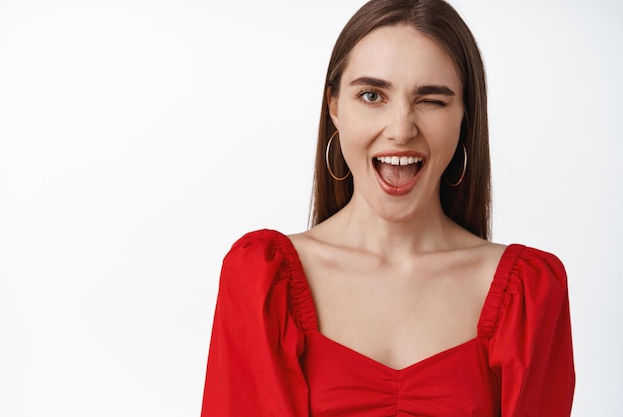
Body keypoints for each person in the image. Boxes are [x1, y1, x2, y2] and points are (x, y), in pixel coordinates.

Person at [201, 0, 575, 415]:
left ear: (466, 115)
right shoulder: (262, 280)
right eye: (372, 95)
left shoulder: (529, 293)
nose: (401, 130)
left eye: (431, 100)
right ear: (335, 106)